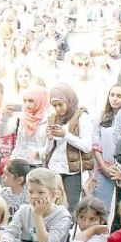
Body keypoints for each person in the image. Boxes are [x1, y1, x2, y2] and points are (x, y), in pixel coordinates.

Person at [0, 168, 72, 242]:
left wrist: (38, 215)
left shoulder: (62, 216)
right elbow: (10, 232)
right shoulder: (23, 211)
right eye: (31, 192)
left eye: (41, 192)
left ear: (53, 195)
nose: (34, 196)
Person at [45, 83, 94, 213]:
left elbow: (86, 146)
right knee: (52, 204)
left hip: (72, 169)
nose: (58, 108)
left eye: (60, 104)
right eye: (54, 105)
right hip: (54, 166)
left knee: (71, 207)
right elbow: (49, 148)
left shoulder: (81, 116)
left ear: (69, 100)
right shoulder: (53, 117)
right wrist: (50, 137)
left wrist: (65, 135)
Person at [90, 83, 121, 217]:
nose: (114, 99)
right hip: (103, 167)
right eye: (112, 95)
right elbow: (95, 143)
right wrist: (103, 166)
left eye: (119, 96)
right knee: (99, 207)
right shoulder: (102, 116)